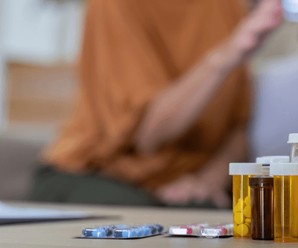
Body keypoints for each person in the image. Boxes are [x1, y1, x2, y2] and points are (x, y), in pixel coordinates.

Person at [28, 0, 283, 209]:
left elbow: (238, 128)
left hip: (185, 181)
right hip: (93, 172)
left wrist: (209, 180)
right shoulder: (115, 6)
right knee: (140, 220)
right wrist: (226, 55)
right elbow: (149, 135)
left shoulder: (228, 7)